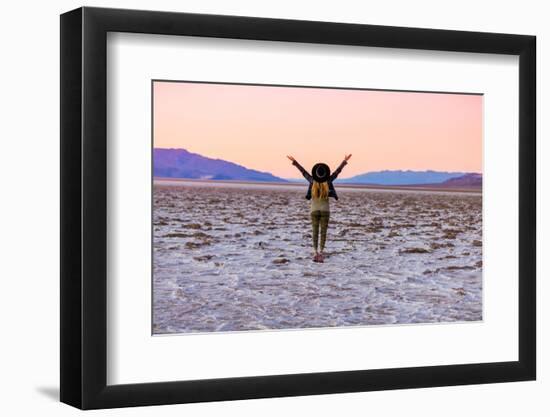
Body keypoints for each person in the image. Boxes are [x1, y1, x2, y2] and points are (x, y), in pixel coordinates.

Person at [287, 154, 352, 262]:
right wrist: (344, 161)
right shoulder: (328, 182)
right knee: (323, 232)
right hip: (325, 210)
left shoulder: (312, 181)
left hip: (314, 210)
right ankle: (321, 252)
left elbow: (303, 172)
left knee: (315, 231)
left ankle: (315, 252)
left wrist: (295, 162)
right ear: (325, 174)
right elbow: (337, 172)